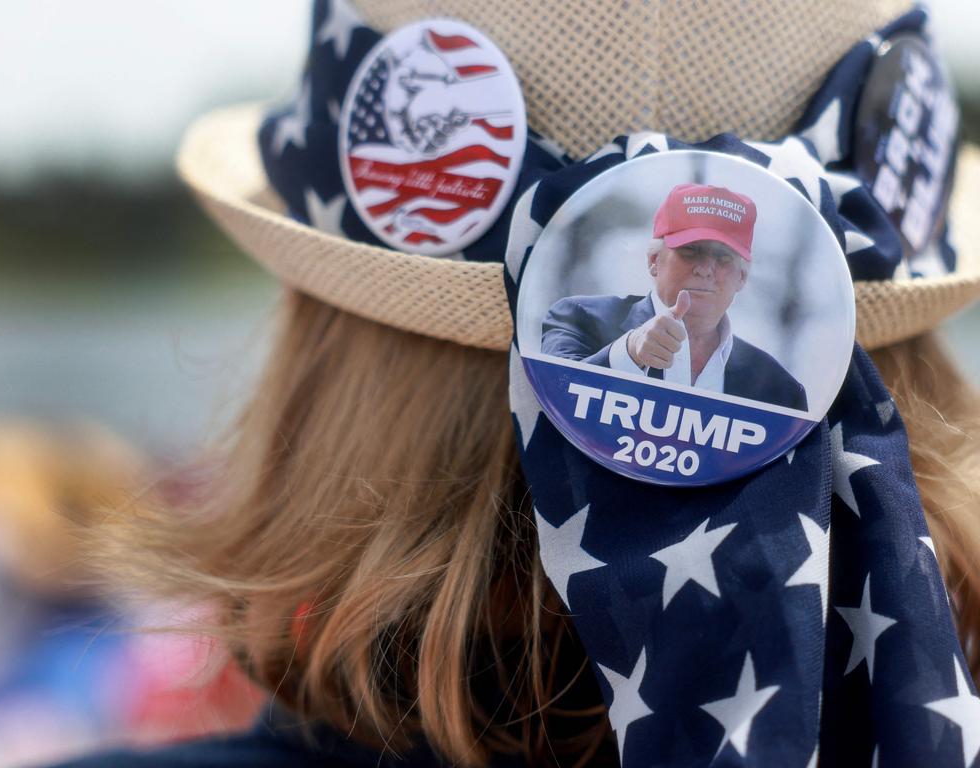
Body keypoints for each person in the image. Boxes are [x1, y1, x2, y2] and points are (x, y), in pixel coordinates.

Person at [53, 0, 980, 766]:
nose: (701, 278)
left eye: (722, 264)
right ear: (650, 263)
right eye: (684, 258)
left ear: (320, 349)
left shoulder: (762, 374)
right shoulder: (592, 330)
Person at [541, 183, 809, 411]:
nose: (705, 269)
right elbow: (551, 399)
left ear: (742, 277)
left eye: (723, 256)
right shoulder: (578, 319)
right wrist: (629, 352)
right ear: (654, 260)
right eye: (690, 250)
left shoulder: (780, 390)